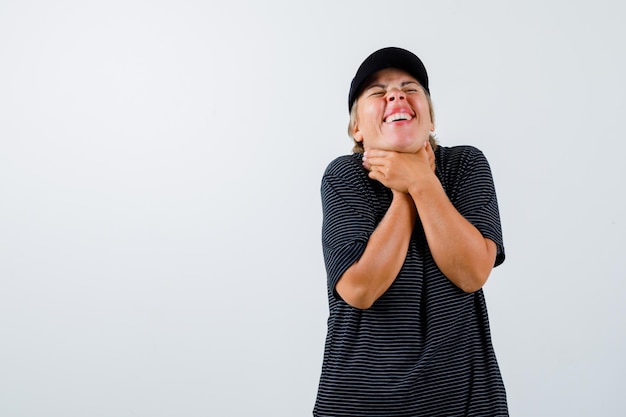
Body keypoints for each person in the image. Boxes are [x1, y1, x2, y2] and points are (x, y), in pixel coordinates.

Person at [313, 47, 508, 416]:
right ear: (357, 128)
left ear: (430, 117)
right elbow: (359, 289)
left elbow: (471, 273)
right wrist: (406, 190)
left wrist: (424, 183)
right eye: (377, 91)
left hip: (465, 404)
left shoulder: (465, 165)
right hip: (358, 403)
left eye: (409, 87)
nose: (396, 95)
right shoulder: (344, 177)